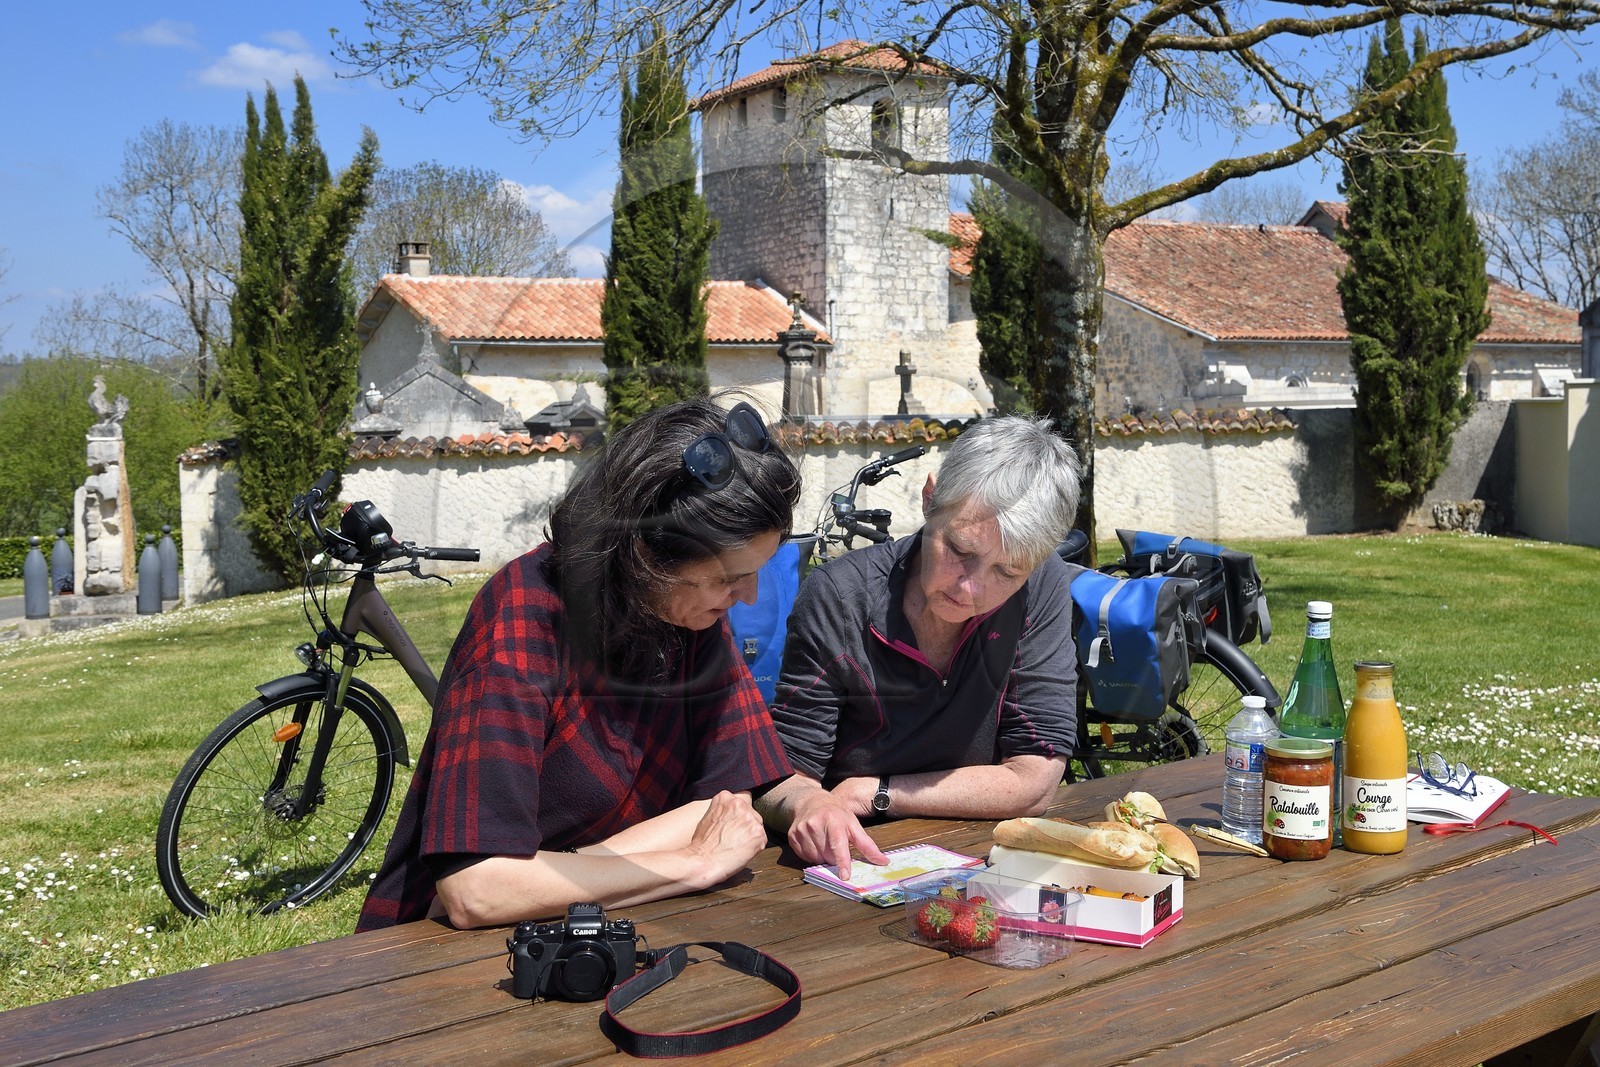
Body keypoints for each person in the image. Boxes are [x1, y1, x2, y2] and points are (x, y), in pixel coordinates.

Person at [356, 397, 801, 932]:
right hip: (430, 960)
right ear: (644, 554)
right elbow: (476, 889)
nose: (747, 597)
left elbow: (729, 802)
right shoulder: (522, 622)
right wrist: (692, 862)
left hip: (608, 926)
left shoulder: (687, 612)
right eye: (729, 576)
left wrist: (578, 872)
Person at [756, 416, 1082, 877]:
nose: (970, 589)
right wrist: (809, 802)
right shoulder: (840, 596)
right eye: (960, 550)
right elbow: (782, 775)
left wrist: (878, 791)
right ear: (930, 499)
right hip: (847, 859)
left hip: (979, 860)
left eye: (1007, 573)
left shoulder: (1042, 583)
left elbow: (1034, 780)